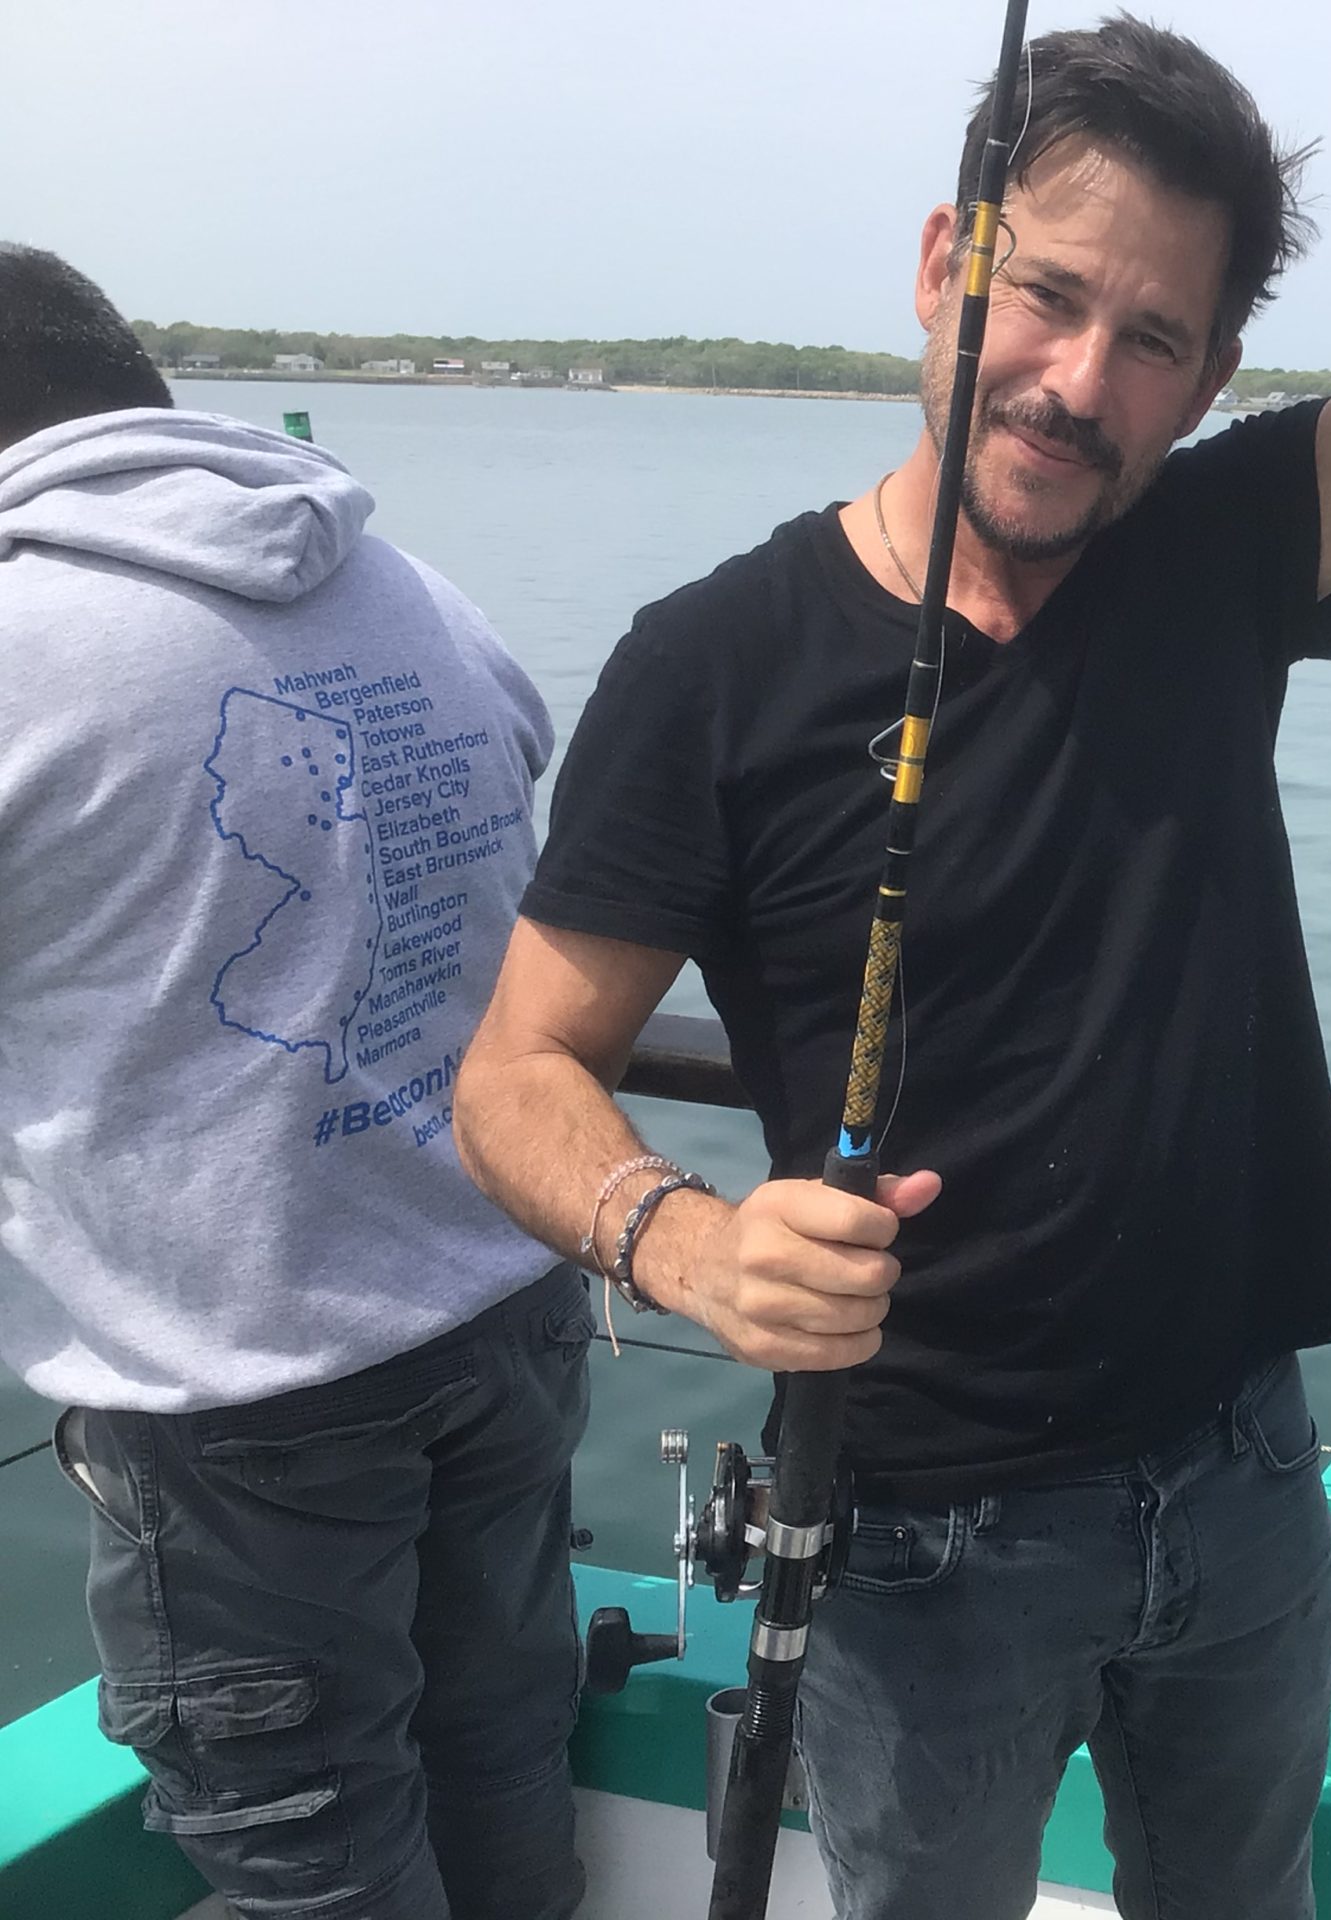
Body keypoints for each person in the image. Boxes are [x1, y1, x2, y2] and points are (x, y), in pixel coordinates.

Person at [452, 8, 1331, 1916]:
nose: (1074, 380)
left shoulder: (1221, 552)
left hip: (1244, 1469)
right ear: (940, 265)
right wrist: (690, 1240)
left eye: (1152, 340)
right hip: (906, 1533)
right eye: (1044, 296)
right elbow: (514, 1074)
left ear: (1212, 375)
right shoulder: (711, 668)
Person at [0, 245, 585, 1920]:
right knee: (499, 1771)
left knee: (311, 1864)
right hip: (508, 1308)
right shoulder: (413, 587)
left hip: (244, 1391)